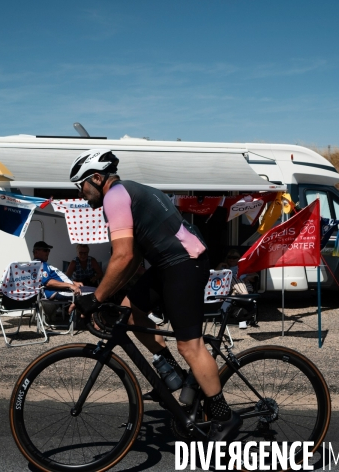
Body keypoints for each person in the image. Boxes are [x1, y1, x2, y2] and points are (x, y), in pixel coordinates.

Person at [71, 149, 242, 441]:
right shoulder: (129, 192)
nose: (81, 194)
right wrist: (108, 296)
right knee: (129, 308)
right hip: (169, 264)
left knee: (190, 346)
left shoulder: (114, 197)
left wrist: (96, 298)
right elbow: (134, 259)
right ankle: (171, 374)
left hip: (183, 264)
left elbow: (123, 256)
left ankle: (224, 417)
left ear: (97, 178)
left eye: (81, 186)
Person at [32, 241, 93, 314]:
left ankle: (81, 312)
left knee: (96, 291)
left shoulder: (44, 264)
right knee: (97, 294)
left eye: (48, 250)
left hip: (67, 289)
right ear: (36, 252)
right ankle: (83, 314)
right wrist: (70, 285)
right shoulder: (39, 264)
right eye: (45, 250)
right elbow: (48, 282)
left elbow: (56, 278)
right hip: (59, 292)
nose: (48, 252)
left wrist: (73, 282)